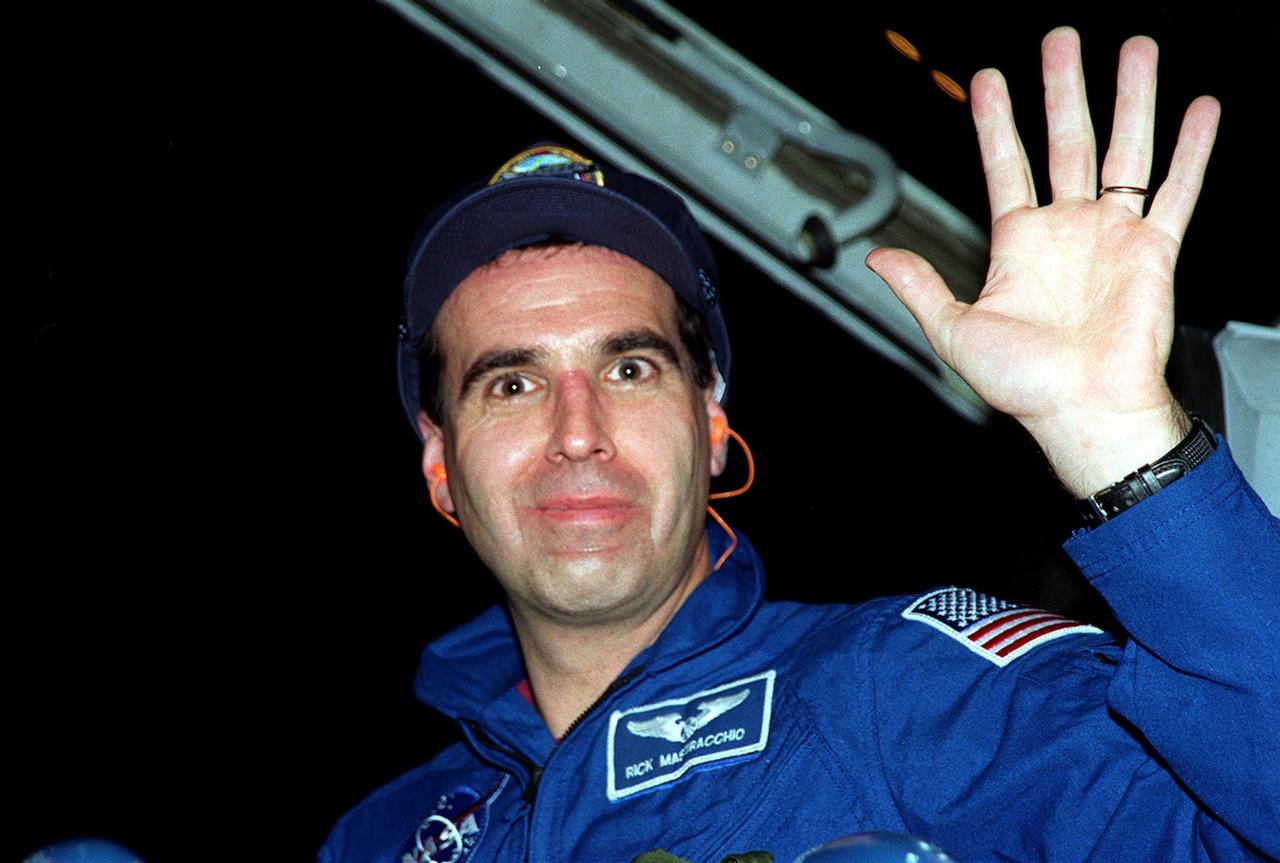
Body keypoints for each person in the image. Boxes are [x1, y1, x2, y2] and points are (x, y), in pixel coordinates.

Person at [320, 28, 1279, 863]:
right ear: (440, 465)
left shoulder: (899, 689)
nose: (578, 435)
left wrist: (1124, 443)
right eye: (514, 383)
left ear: (711, 421)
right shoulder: (379, 836)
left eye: (629, 369)